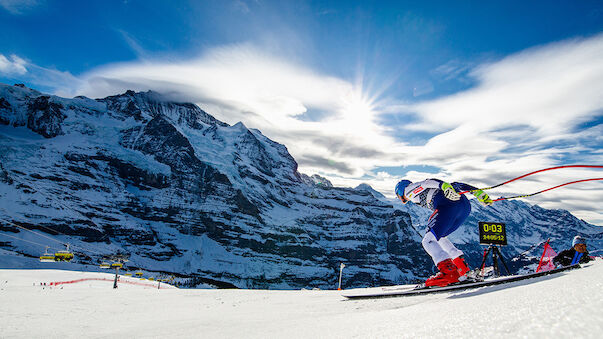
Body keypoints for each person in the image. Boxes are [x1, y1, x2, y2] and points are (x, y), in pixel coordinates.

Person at [395, 178, 493, 287]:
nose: (400, 199)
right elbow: (457, 185)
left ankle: (449, 274)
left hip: (449, 206)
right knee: (439, 238)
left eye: (398, 196)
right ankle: (463, 270)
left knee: (428, 241)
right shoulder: (423, 192)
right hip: (464, 207)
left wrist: (444, 186)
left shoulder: (408, 191)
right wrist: (478, 193)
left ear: (400, 192)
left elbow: (427, 182)